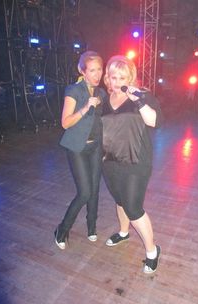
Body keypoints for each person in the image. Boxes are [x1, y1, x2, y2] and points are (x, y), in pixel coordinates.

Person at [102, 55, 163, 274]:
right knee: (120, 201)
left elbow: (154, 121)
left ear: (131, 77)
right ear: (107, 77)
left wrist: (137, 99)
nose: (117, 82)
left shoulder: (141, 95)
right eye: (113, 76)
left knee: (134, 208)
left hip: (136, 163)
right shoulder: (104, 98)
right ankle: (124, 232)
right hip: (110, 161)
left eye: (122, 77)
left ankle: (152, 251)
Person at [54, 50, 106, 249]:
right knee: (85, 192)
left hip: (95, 147)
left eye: (99, 69)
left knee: (95, 189)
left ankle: (91, 227)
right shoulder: (73, 91)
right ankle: (62, 229)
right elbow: (65, 123)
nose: (97, 74)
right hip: (77, 148)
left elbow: (102, 121)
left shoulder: (101, 93)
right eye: (92, 70)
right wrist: (85, 107)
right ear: (82, 71)